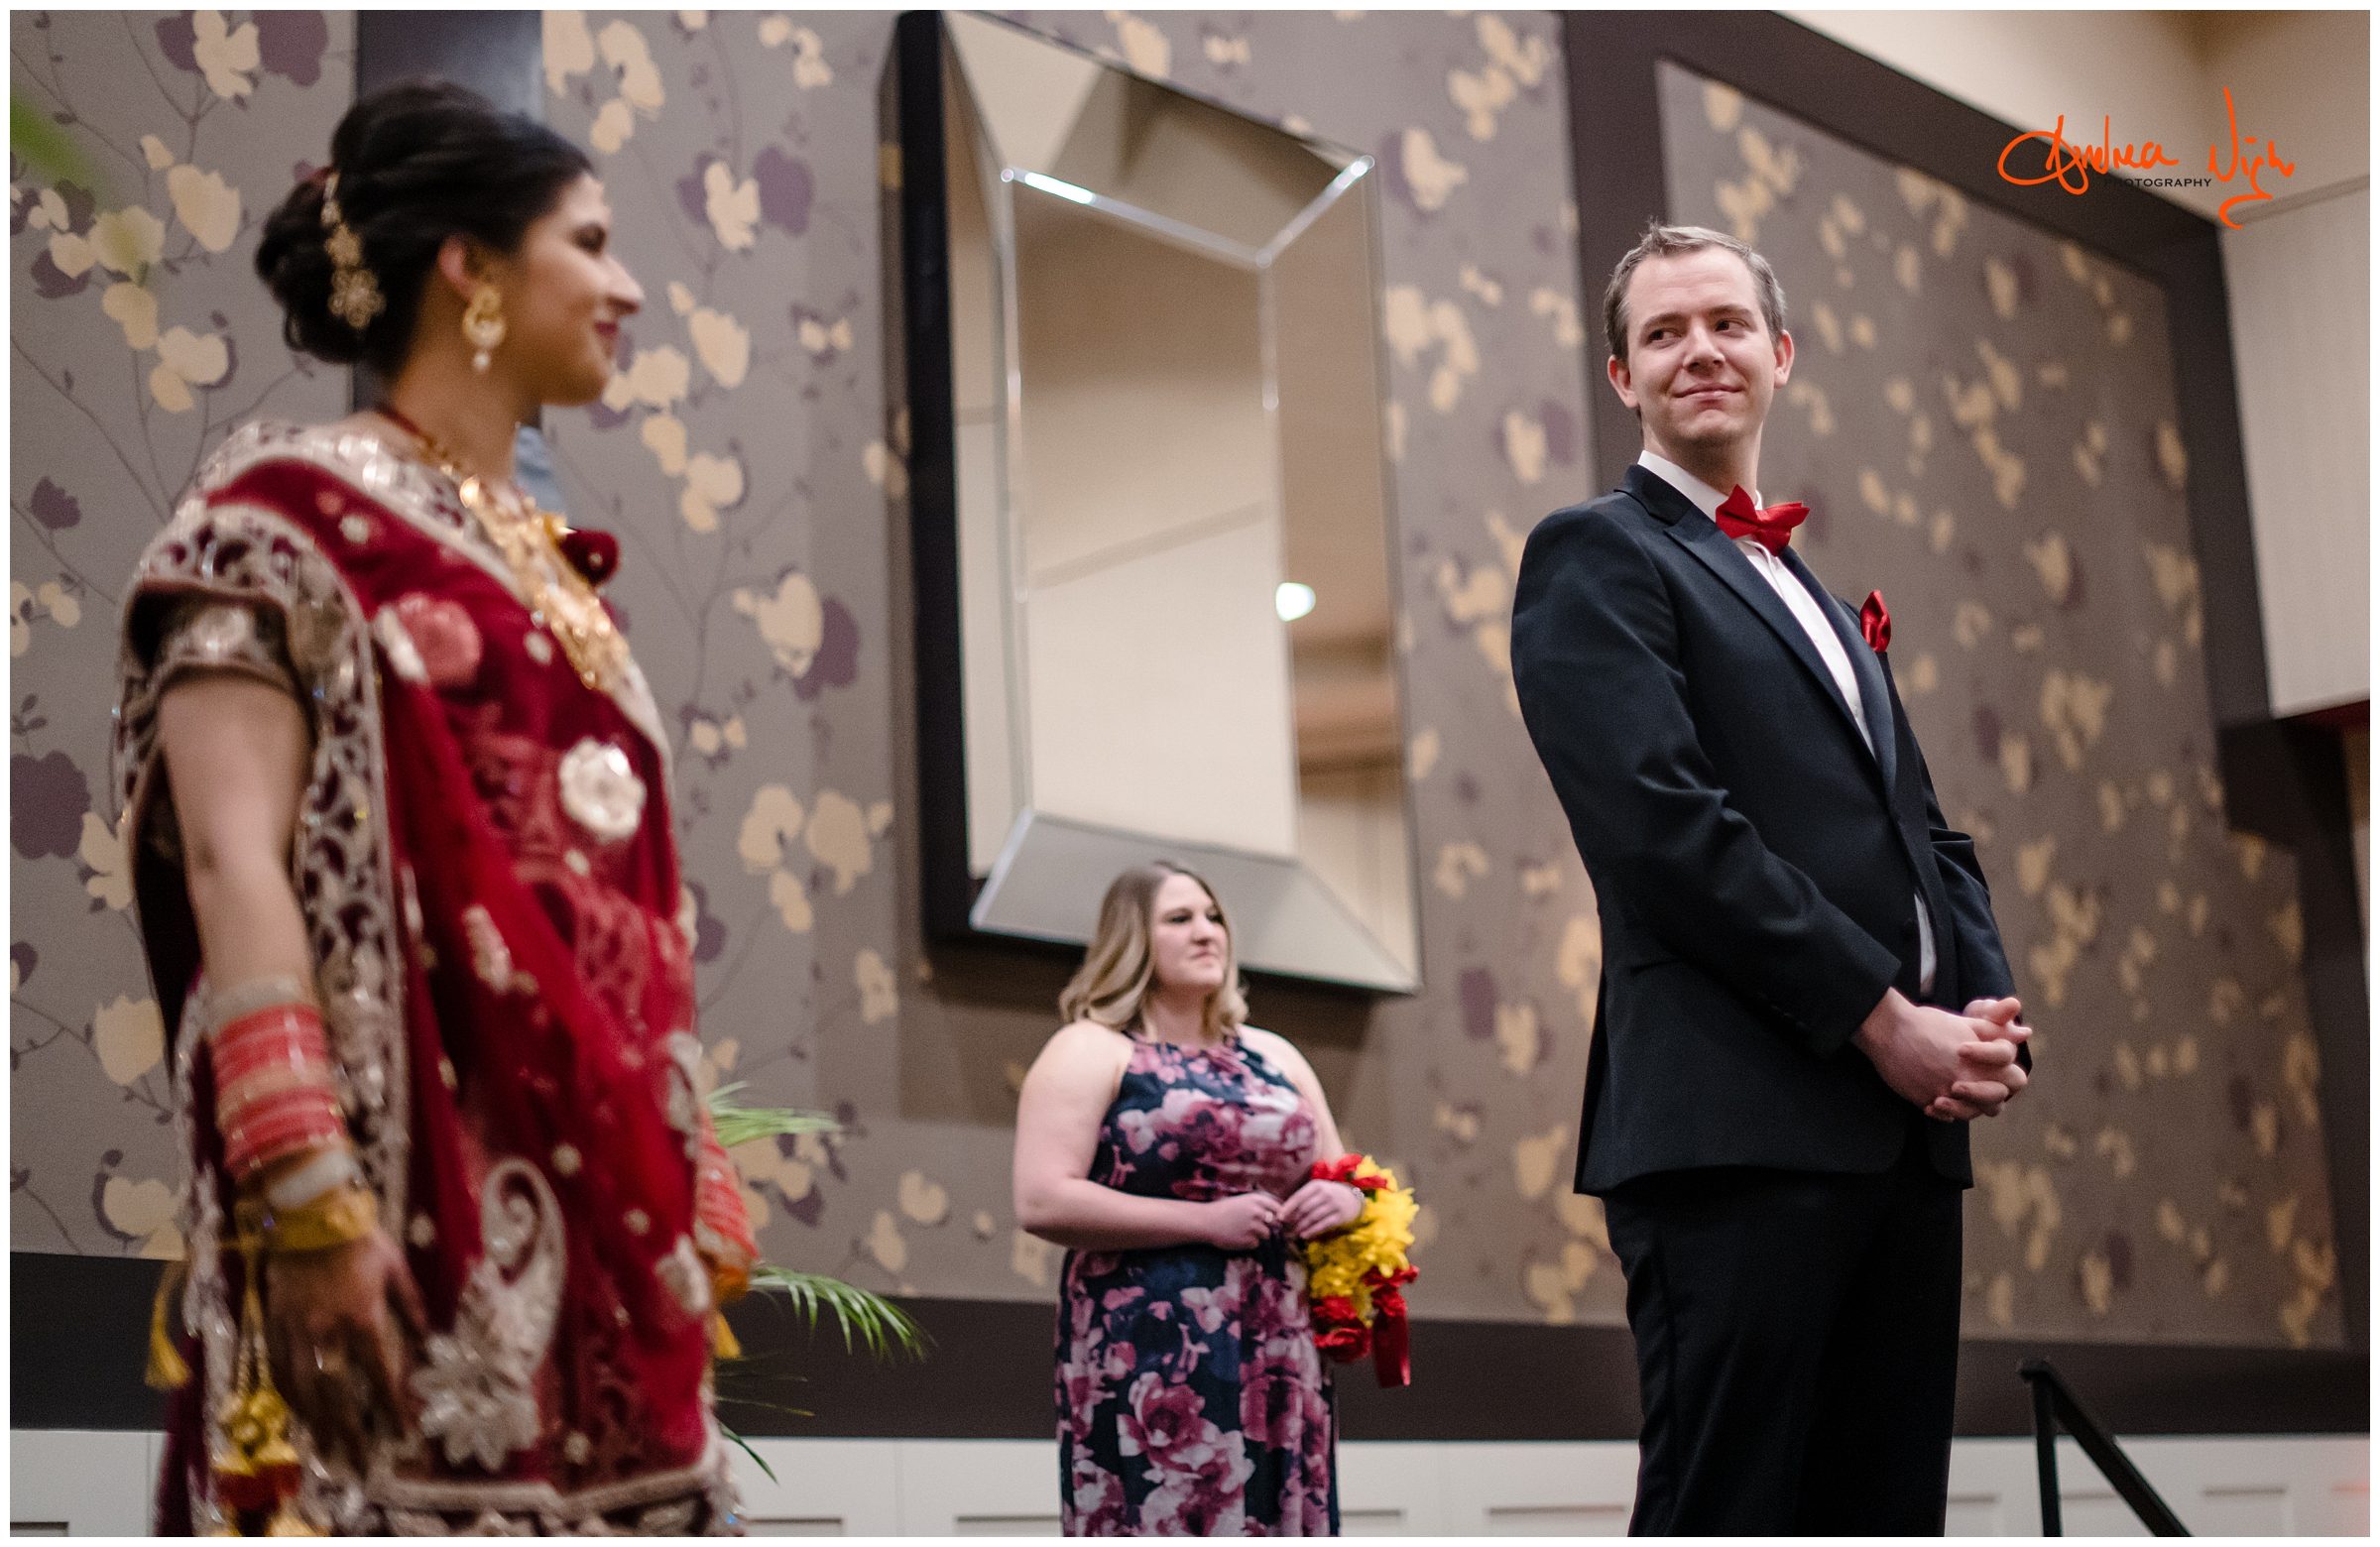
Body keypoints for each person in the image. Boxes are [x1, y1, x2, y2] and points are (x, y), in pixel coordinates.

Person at [116, 80, 758, 1534]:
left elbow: (619, 904)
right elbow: (230, 860)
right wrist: (305, 1192)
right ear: (470, 266)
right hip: (399, 1228)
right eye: (588, 242)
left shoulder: (553, 572)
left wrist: (687, 1163)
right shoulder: (282, 524)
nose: (631, 287)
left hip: (611, 1230)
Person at [1507, 222, 2036, 1535]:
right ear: (1621, 376)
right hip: (1734, 1124)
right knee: (1729, 1507)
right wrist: (1881, 1015)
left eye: (1728, 324)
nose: (1702, 351)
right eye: (1665, 333)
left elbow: (1928, 833)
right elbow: (1662, 828)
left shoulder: (1809, 585)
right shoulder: (1598, 554)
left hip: (1902, 1137)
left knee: (1880, 1509)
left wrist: (1982, 1013)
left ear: (1782, 354)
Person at [1012, 863, 1367, 1535]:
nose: (1206, 932)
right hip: (1152, 1342)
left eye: (1214, 917)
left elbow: (1343, 1174)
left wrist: (1344, 1204)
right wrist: (1204, 1222)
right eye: (1180, 919)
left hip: (1282, 1337)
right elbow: (1041, 1198)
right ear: (1132, 940)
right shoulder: (1091, 1049)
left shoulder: (1274, 1056)